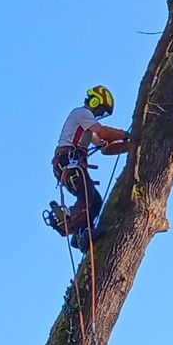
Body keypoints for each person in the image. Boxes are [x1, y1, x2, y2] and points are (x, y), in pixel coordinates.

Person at [45, 84, 131, 248]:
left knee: (95, 201)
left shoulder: (87, 128)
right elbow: (104, 133)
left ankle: (77, 230)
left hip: (71, 165)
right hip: (68, 163)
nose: (100, 115)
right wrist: (125, 134)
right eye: (101, 110)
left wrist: (130, 145)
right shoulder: (82, 113)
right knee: (87, 196)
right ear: (94, 102)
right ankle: (80, 231)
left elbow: (105, 148)